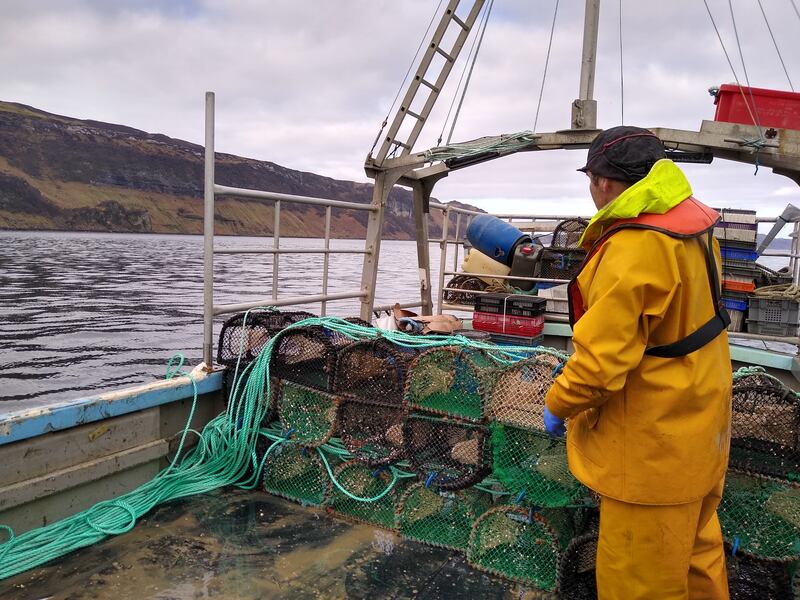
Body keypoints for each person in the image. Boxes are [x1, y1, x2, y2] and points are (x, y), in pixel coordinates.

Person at [543, 126, 732, 599]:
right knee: (697, 561)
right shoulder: (692, 229)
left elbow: (600, 368)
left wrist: (558, 402)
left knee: (638, 582)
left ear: (603, 182)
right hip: (700, 435)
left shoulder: (633, 247)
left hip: (651, 456)